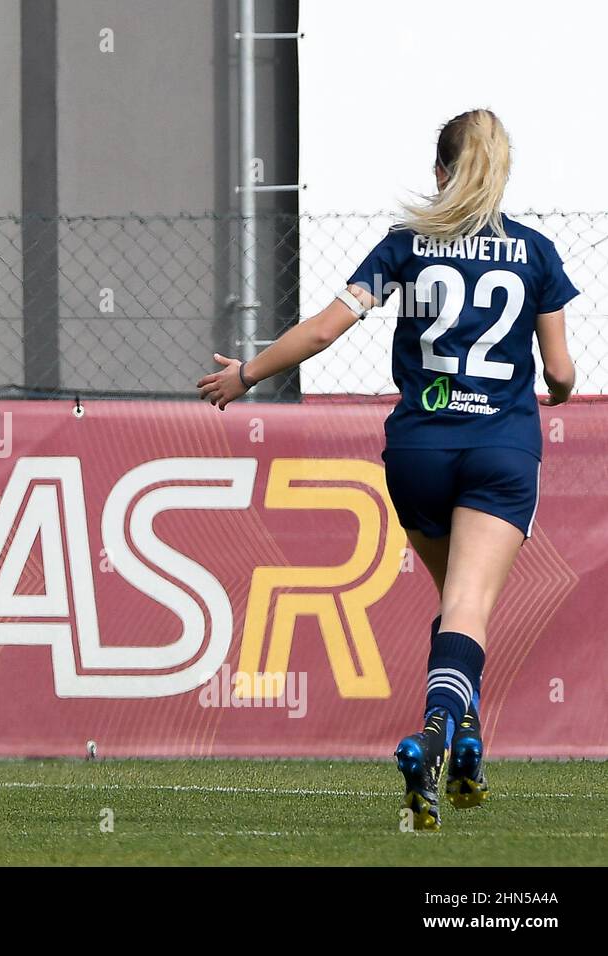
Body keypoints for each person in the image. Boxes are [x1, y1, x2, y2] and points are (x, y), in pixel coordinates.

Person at [197, 109, 578, 830]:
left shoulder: (406, 246)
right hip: (501, 448)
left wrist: (247, 374)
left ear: (441, 173)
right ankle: (434, 738)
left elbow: (322, 329)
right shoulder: (535, 252)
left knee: (456, 609)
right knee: (469, 606)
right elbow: (558, 371)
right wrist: (557, 391)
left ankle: (470, 741)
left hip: (418, 452)